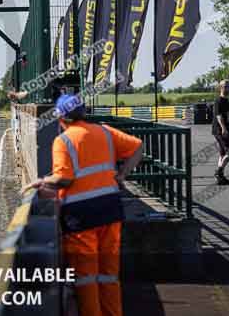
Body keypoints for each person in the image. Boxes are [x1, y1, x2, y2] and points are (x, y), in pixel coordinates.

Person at [23, 94, 143, 316]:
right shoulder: (105, 132)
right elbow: (137, 147)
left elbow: (64, 179)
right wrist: (122, 174)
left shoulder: (63, 140)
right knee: (109, 275)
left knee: (86, 278)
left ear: (61, 119)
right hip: (110, 209)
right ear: (84, 113)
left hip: (81, 218)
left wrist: (39, 182)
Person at [212, 80, 229, 185]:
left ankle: (220, 178)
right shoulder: (219, 100)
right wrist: (224, 128)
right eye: (226, 86)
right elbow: (219, 116)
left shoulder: (226, 101)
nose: (228, 88)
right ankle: (219, 172)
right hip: (220, 130)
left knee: (223, 153)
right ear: (221, 87)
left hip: (226, 130)